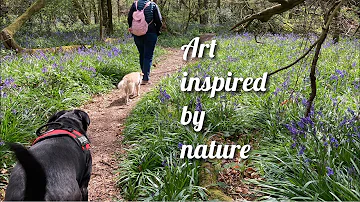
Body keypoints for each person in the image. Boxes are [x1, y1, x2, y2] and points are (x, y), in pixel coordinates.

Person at [128, 0, 162, 85]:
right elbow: (159, 20)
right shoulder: (153, 5)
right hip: (150, 33)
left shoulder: (135, 4)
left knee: (142, 54)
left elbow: (129, 18)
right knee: (148, 56)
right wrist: (157, 31)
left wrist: (132, 27)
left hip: (137, 34)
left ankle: (142, 76)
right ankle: (145, 78)